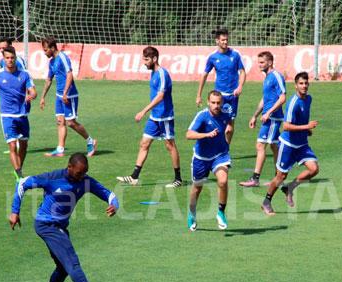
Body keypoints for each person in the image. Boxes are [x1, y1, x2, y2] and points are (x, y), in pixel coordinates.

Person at [9, 153, 122, 282]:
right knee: (71, 261)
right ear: (69, 167)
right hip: (46, 225)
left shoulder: (85, 181)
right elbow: (22, 183)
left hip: (59, 227)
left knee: (63, 268)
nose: (81, 177)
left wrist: (114, 205)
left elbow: (109, 194)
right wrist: (14, 211)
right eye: (78, 173)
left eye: (84, 173)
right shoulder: (52, 178)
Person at [116, 46, 182, 188]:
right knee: (144, 144)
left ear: (154, 59)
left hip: (164, 117)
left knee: (170, 146)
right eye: (143, 59)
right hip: (154, 117)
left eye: (146, 59)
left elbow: (161, 96)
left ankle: (178, 179)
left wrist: (143, 111)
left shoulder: (163, 74)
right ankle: (134, 177)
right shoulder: (153, 73)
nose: (144, 62)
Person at [261, 72, 319, 215]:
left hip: (302, 144)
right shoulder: (293, 103)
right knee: (281, 177)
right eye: (301, 83)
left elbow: (301, 119)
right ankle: (266, 201)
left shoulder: (308, 99)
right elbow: (286, 126)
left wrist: (306, 130)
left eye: (306, 83)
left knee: (314, 169)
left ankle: (289, 188)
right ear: (295, 86)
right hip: (288, 145)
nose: (304, 86)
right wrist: (306, 127)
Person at [39, 37, 97, 158]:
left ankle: (90, 141)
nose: (44, 53)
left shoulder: (62, 58)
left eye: (45, 50)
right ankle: (60, 149)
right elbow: (49, 79)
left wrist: (65, 93)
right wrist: (43, 97)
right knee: (60, 122)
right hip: (59, 96)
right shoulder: (51, 62)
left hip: (69, 95)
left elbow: (69, 74)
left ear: (52, 48)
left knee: (70, 123)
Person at [0, 46, 36, 182]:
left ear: (16, 58)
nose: (10, 60)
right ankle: (19, 176)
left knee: (24, 145)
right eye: (7, 58)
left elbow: (33, 91)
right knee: (12, 145)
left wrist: (31, 95)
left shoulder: (24, 74)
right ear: (3, 59)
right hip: (7, 116)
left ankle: (18, 168)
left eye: (12, 58)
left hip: (22, 115)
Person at [240, 51, 286, 187]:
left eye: (262, 62)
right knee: (274, 146)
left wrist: (268, 113)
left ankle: (255, 179)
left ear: (270, 62)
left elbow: (282, 97)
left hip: (272, 118)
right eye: (258, 62)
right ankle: (279, 177)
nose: (259, 65)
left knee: (260, 145)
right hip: (269, 117)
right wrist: (255, 115)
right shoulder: (267, 78)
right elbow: (265, 100)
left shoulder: (276, 76)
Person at [187, 90, 231, 231]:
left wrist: (227, 135)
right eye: (213, 103)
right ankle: (192, 213)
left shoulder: (226, 114)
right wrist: (206, 135)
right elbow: (188, 134)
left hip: (220, 155)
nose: (216, 105)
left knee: (223, 181)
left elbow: (229, 124)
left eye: (218, 103)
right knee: (197, 188)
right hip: (201, 158)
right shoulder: (202, 116)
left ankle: (220, 212)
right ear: (208, 102)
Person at [195, 28, 246, 144]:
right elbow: (204, 75)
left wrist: (240, 86)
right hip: (219, 96)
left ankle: (226, 149)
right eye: (223, 40)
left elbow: (242, 72)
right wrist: (198, 95)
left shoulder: (235, 55)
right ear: (217, 41)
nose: (225, 42)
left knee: (230, 124)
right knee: (217, 122)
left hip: (233, 95)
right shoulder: (213, 57)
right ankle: (216, 147)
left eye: (227, 40)